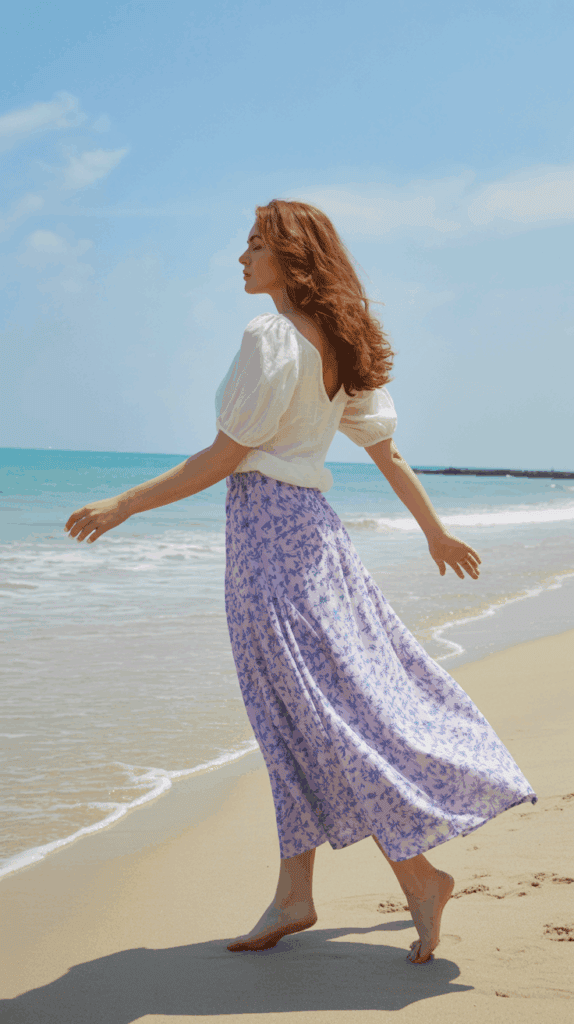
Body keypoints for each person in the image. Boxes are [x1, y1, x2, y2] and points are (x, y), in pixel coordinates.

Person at [65, 198, 537, 965]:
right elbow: (387, 452)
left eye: (254, 247)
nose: (241, 260)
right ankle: (296, 892)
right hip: (314, 534)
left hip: (268, 537)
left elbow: (223, 457)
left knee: (314, 715)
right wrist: (432, 529)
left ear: (291, 258)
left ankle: (416, 877)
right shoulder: (337, 343)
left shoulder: (271, 336)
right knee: (301, 711)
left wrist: (123, 502)